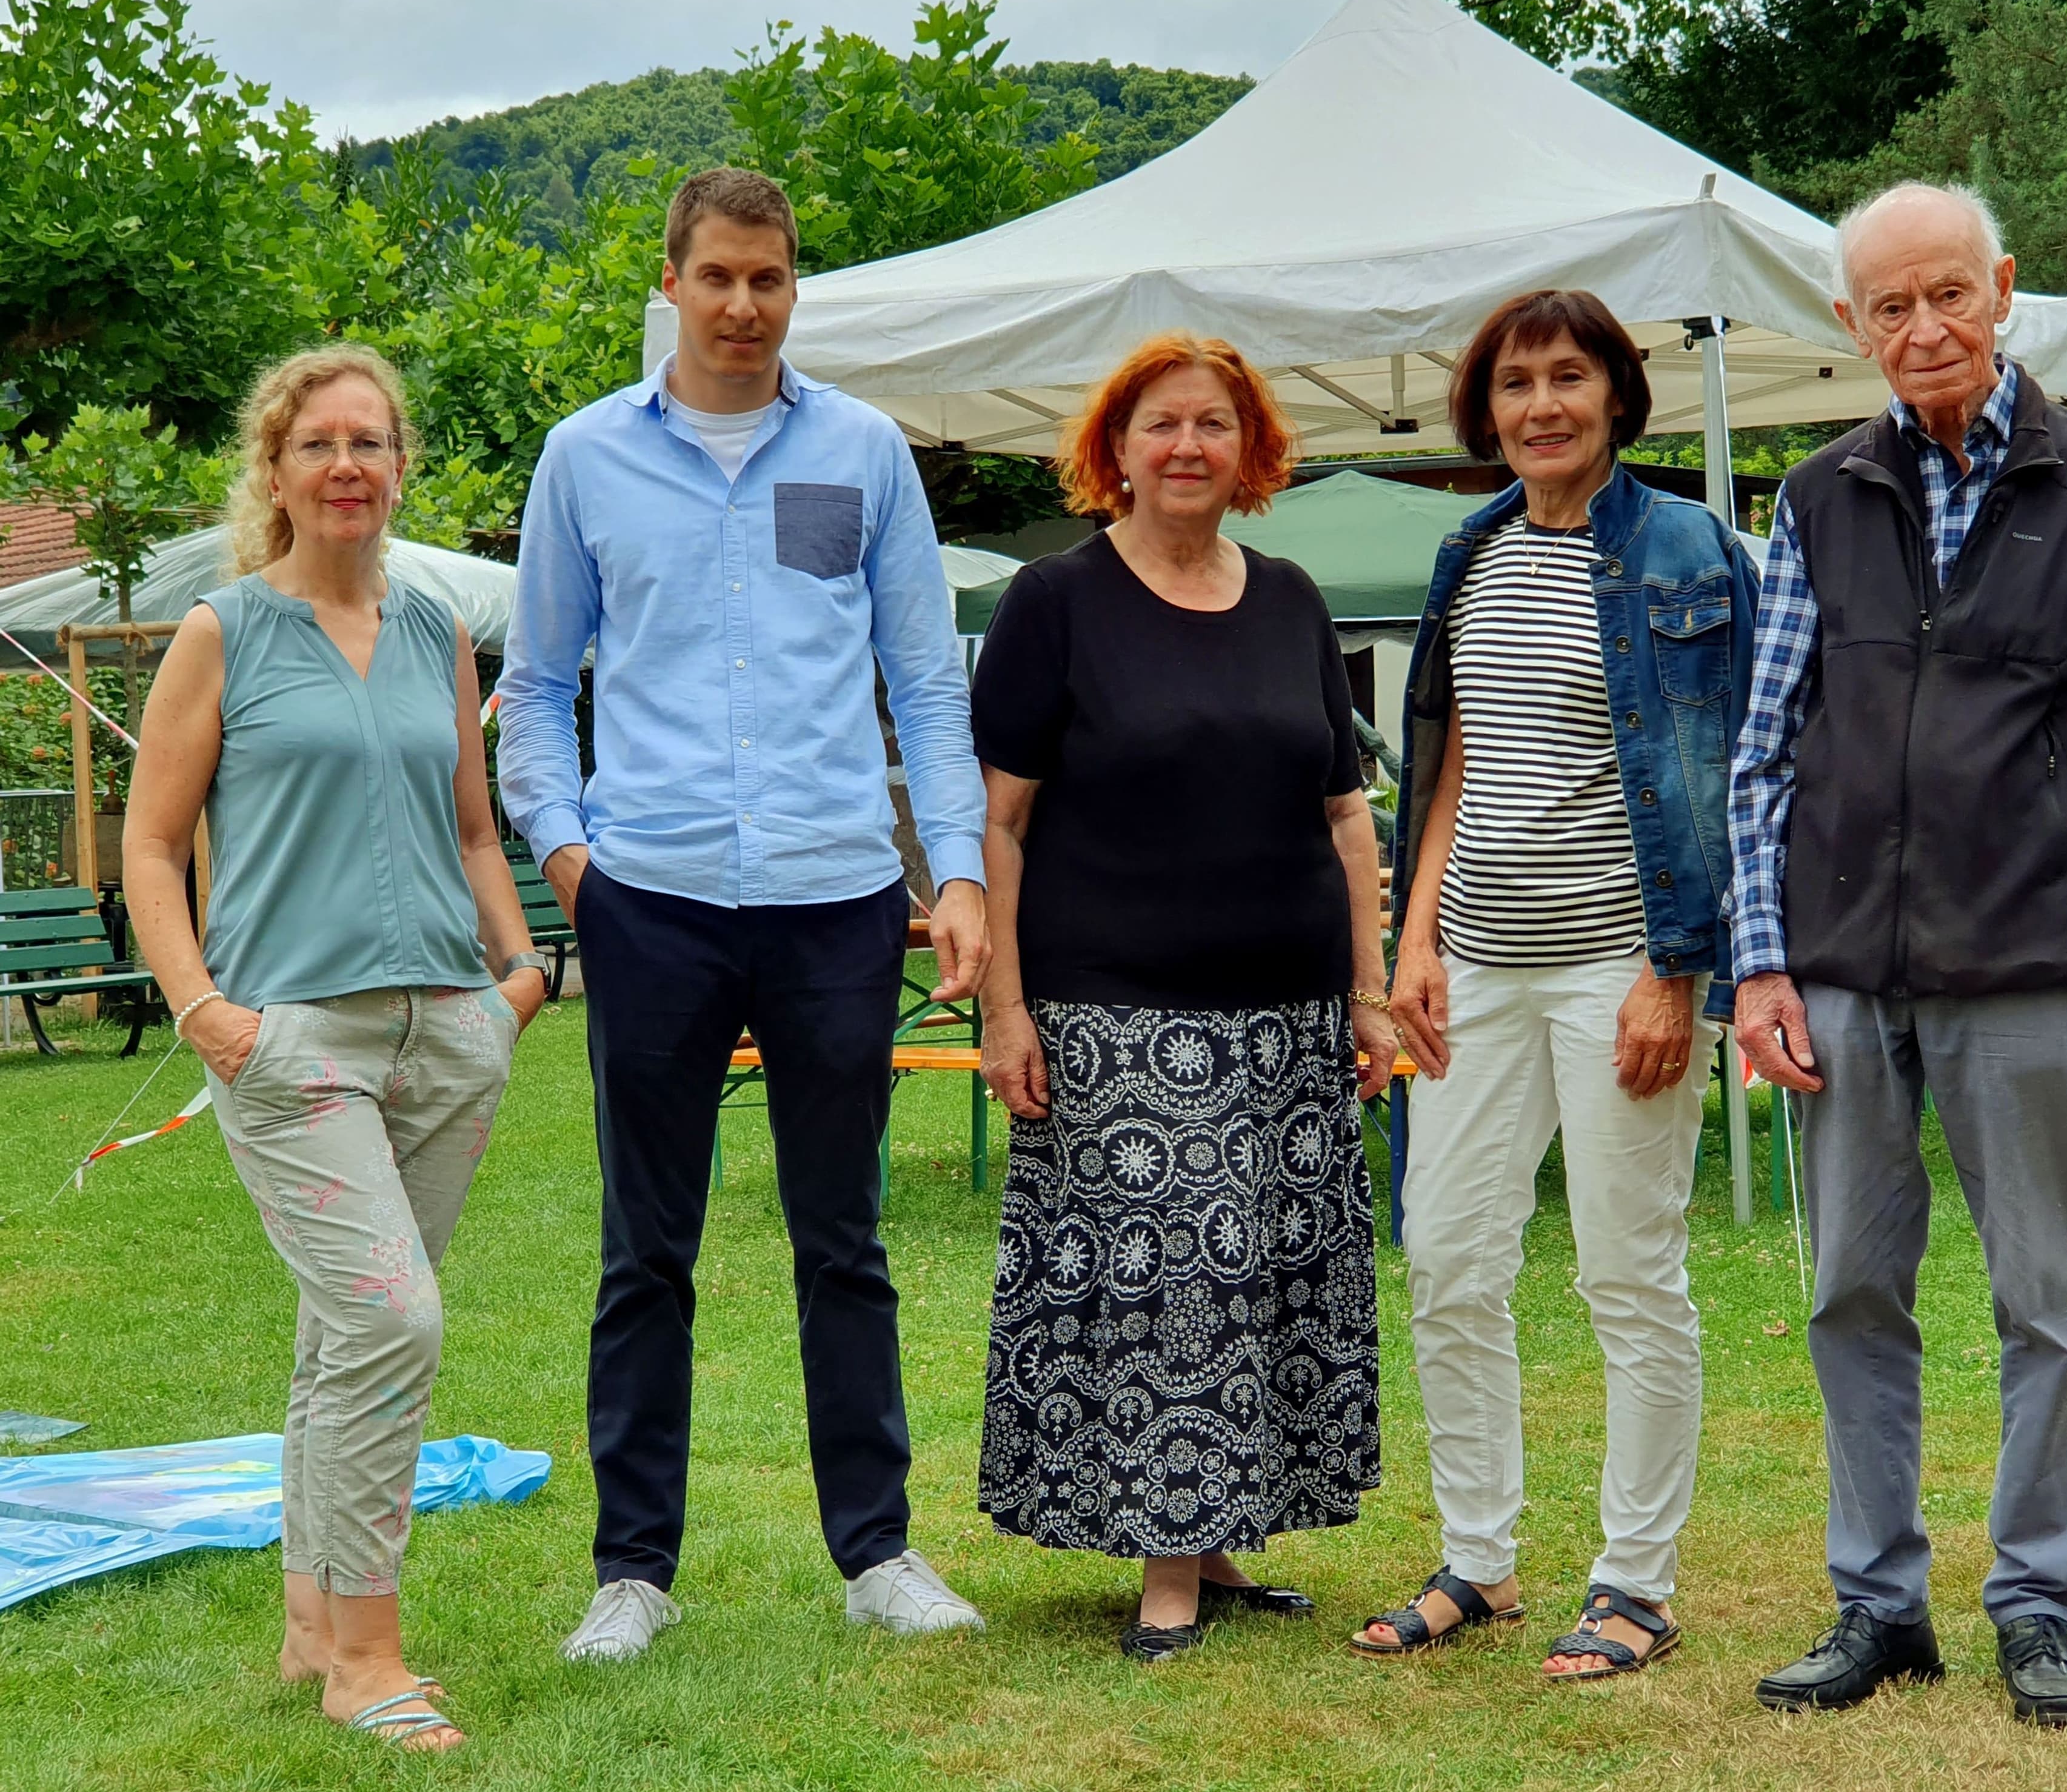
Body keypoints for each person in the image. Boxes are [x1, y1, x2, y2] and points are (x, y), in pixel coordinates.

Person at [498, 167, 992, 1660]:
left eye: (768, 278)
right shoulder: (586, 459)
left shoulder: (863, 453)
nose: (742, 305)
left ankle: (879, 1554)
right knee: (645, 1250)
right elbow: (536, 689)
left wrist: (959, 871)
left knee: (844, 1240)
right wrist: (571, 861)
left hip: (837, 899)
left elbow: (927, 684)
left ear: (792, 287)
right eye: (715, 276)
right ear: (671, 283)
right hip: (650, 900)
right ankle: (631, 1572)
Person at [1731, 182, 2067, 1728]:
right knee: (1851, 1293)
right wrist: (1762, 965)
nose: (1924, 327)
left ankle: (2039, 1604)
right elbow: (1765, 752)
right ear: (1850, 324)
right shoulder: (1815, 498)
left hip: (2026, 959)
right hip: (1844, 962)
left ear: (2000, 288)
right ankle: (1878, 1605)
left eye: (1948, 293)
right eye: (1890, 306)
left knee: (2044, 1303)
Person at [122, 346, 549, 1753]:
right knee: (389, 1321)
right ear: (278, 471)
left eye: (370, 441)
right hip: (290, 1039)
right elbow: (150, 844)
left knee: (341, 1335)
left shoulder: (438, 633)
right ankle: (370, 1658)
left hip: (450, 1029)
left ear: (400, 466)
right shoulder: (224, 632)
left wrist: (519, 975)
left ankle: (312, 1628)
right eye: (319, 444)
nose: (347, 465)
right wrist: (204, 1010)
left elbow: (474, 828)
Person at [1355, 289, 1759, 1680]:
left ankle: (1636, 1583)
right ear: (1488, 408)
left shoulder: (1687, 548)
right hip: (1474, 964)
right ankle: (1480, 1560)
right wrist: (1414, 945)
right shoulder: (1469, 551)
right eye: (1516, 382)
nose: (1542, 405)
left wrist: (1672, 970)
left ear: (1617, 397)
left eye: (1568, 377)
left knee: (1627, 1273)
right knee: (1447, 1257)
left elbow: (1725, 769)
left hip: (1616, 970)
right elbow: (1450, 762)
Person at [973, 332, 1393, 1662]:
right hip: (1120, 1015)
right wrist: (1005, 1009)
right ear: (1116, 447)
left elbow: (1345, 814)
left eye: (1214, 422)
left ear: (1250, 447)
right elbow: (1000, 825)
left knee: (1261, 1278)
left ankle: (1211, 1546)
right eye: (1161, 423)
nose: (1188, 446)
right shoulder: (1055, 599)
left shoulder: (1292, 600)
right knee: (1175, 1285)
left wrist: (1369, 991)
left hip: (1290, 1015)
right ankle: (1166, 1569)